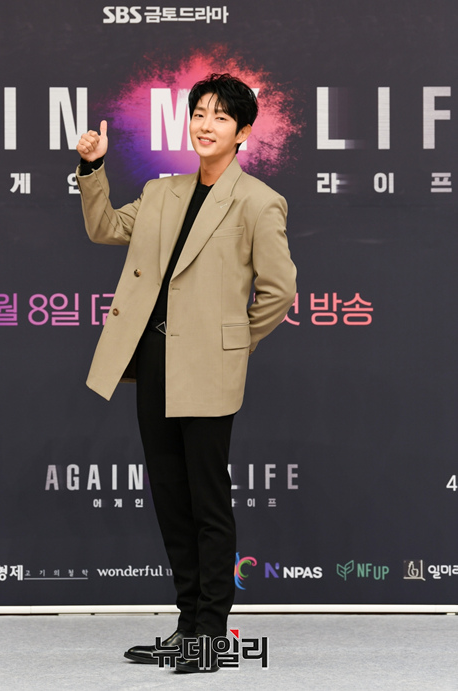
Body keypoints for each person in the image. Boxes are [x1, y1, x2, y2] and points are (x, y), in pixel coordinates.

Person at [75, 73, 297, 673]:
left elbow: (279, 290)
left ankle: (211, 633)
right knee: (171, 497)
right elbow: (104, 228)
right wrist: (92, 168)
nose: (206, 125)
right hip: (152, 361)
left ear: (243, 132)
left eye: (221, 116)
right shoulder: (161, 192)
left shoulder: (258, 201)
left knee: (207, 500)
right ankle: (186, 622)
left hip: (208, 368)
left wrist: (233, 344)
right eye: (199, 113)